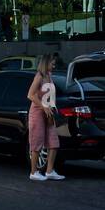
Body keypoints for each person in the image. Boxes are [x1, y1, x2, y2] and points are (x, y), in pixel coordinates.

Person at [26, 53, 64, 182]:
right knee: (37, 142)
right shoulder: (39, 76)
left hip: (48, 112)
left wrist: (52, 108)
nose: (54, 65)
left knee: (53, 142)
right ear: (45, 63)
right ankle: (33, 172)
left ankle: (49, 171)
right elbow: (30, 95)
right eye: (52, 63)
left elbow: (49, 95)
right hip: (37, 112)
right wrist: (44, 106)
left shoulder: (49, 76)